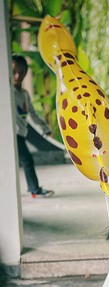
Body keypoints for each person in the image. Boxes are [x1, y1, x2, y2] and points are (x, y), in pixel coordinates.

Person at [12, 54, 54, 198]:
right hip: (13, 135)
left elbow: (32, 114)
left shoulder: (23, 94)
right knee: (27, 161)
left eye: (21, 72)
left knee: (23, 161)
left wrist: (44, 127)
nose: (17, 76)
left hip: (21, 134)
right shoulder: (7, 93)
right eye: (13, 72)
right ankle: (35, 189)